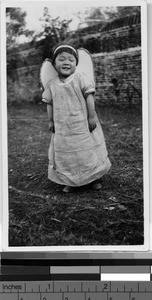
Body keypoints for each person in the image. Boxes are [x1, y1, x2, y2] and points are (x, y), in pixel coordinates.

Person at [42, 44, 111, 192]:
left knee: (86, 151)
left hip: (81, 123)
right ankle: (71, 181)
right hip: (63, 127)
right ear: (54, 64)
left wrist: (91, 117)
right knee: (68, 155)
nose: (66, 62)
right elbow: (49, 104)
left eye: (71, 60)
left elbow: (89, 97)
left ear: (76, 64)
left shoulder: (80, 78)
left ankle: (93, 178)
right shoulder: (52, 85)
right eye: (61, 59)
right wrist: (51, 121)